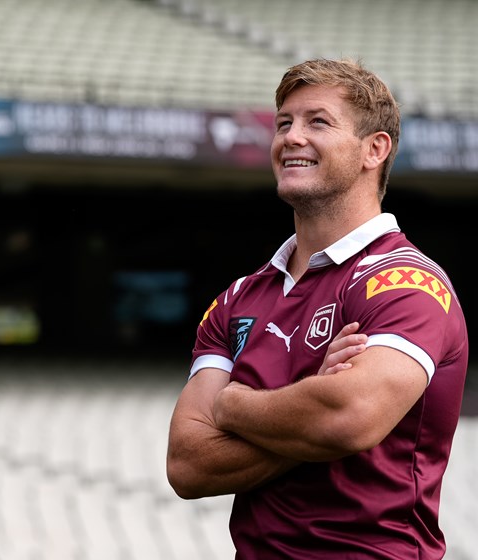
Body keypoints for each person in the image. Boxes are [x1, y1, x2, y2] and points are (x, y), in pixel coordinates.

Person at [166, 58, 468, 559]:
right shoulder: (237, 298)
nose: (291, 137)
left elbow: (347, 418)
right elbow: (188, 464)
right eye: (284, 123)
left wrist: (233, 405)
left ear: (375, 149)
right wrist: (310, 396)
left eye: (318, 122)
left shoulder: (407, 284)